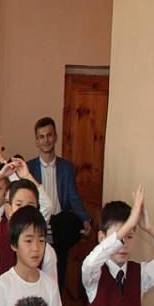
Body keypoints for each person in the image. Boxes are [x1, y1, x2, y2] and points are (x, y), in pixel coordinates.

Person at [26, 117, 92, 291]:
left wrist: (85, 218)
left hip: (60, 227)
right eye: (41, 137)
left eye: (49, 135)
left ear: (55, 136)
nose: (46, 140)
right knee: (37, 274)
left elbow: (73, 196)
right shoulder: (29, 167)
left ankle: (56, 302)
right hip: (39, 225)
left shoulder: (67, 167)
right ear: (37, 141)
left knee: (58, 273)